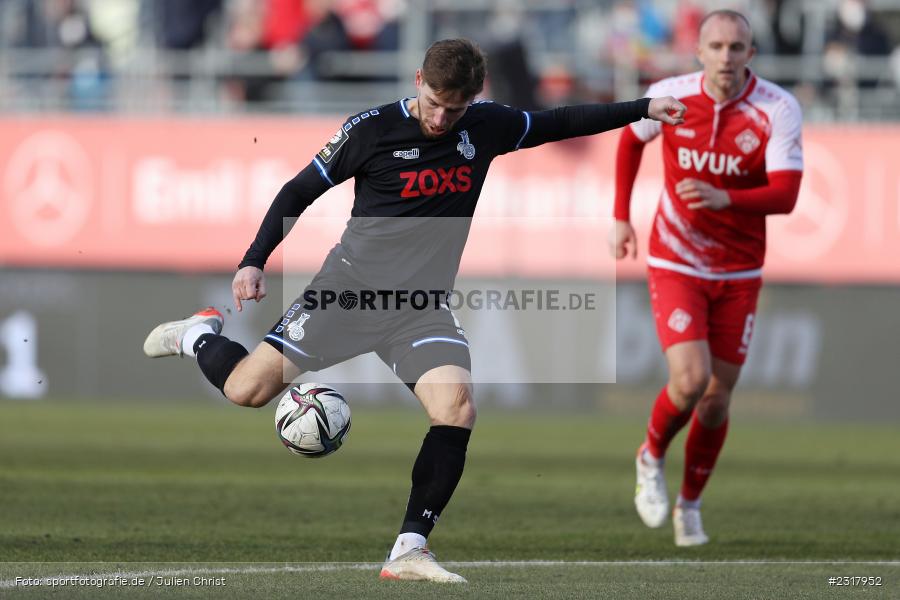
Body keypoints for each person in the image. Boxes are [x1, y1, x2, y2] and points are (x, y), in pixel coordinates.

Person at [144, 38, 685, 581]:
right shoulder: (370, 130)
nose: (443, 118)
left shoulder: (486, 125)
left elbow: (561, 121)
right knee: (246, 391)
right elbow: (297, 191)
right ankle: (198, 335)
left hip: (420, 309)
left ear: (473, 99)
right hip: (347, 295)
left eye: (456, 108)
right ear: (417, 80)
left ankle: (409, 548)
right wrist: (254, 260)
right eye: (435, 103)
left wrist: (642, 108)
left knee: (456, 408)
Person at [610, 11, 803, 546]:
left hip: (740, 268)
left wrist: (728, 198)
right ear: (698, 51)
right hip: (676, 257)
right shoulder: (671, 96)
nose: (725, 56)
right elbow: (630, 142)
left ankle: (689, 505)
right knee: (690, 381)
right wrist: (620, 216)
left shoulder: (777, 108)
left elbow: (786, 195)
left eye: (736, 46)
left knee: (717, 400)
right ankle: (650, 455)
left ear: (751, 54)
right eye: (715, 45)